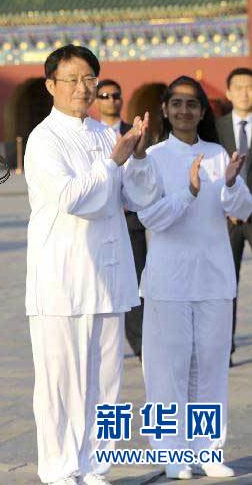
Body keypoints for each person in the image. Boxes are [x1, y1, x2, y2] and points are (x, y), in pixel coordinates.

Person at [24, 44, 156, 485]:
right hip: (62, 278)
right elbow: (71, 198)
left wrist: (138, 155)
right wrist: (114, 161)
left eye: (89, 79)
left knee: (106, 379)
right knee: (61, 381)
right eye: (72, 80)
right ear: (51, 85)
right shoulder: (44, 139)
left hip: (108, 273)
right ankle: (60, 468)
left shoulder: (105, 134)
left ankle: (96, 464)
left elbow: (140, 196)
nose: (82, 88)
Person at [126, 76, 250, 480]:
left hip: (213, 277)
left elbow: (241, 209)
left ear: (202, 111)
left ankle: (207, 450)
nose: (184, 110)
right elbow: (151, 216)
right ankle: (173, 452)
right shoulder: (153, 157)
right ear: (164, 109)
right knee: (168, 369)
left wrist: (229, 183)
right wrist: (190, 192)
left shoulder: (217, 153)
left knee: (211, 367)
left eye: (192, 104)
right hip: (169, 280)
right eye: (176, 103)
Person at [95, 78, 147, 360]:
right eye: (104, 95)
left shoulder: (135, 132)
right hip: (101, 221)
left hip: (132, 223)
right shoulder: (90, 135)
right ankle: (104, 347)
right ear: (96, 100)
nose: (110, 100)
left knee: (136, 283)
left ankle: (140, 344)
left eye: (115, 95)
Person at [215, 66, 252, 364]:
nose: (244, 92)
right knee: (226, 284)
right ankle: (223, 348)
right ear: (228, 92)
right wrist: (230, 206)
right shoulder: (216, 129)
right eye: (238, 87)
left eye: (249, 87)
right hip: (227, 219)